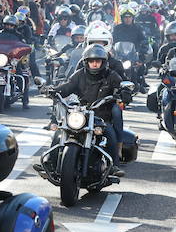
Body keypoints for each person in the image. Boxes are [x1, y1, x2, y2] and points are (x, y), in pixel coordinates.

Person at [51, 44, 127, 175]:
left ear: (103, 62)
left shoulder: (111, 75)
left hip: (102, 116)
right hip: (81, 114)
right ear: (86, 62)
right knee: (59, 132)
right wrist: (54, 91)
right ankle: (50, 162)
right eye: (92, 61)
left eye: (98, 61)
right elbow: (68, 86)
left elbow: (122, 86)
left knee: (110, 134)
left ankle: (114, 165)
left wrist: (125, 92)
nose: (95, 64)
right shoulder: (79, 75)